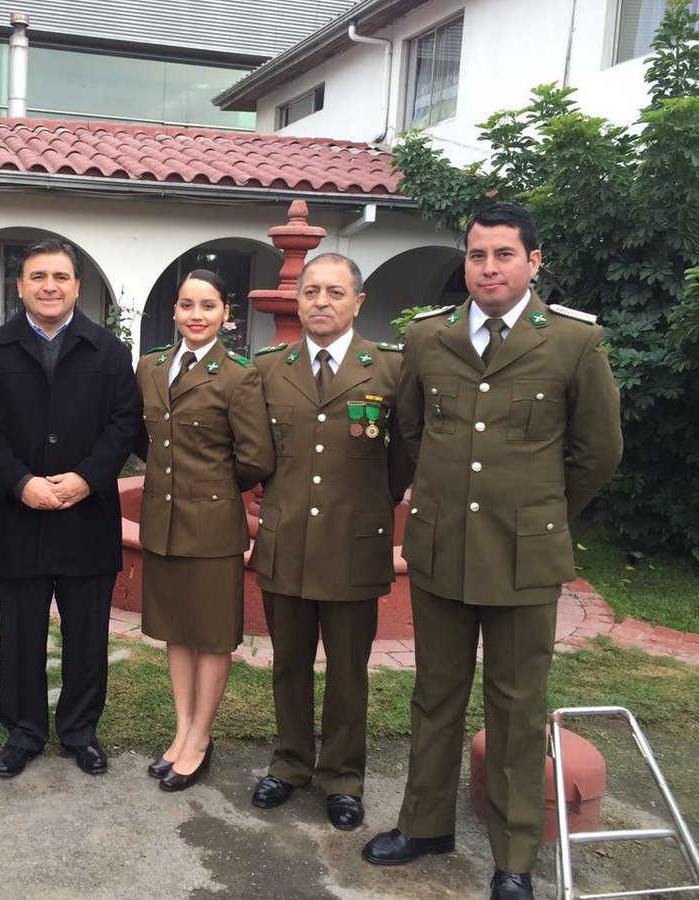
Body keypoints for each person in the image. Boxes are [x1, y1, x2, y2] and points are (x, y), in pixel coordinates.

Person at [362, 203, 622, 900]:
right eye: (477, 255)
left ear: (533, 263)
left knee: (516, 706)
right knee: (435, 695)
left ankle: (513, 859)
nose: (489, 268)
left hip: (524, 559)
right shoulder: (429, 337)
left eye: (504, 254)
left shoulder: (571, 343)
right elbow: (411, 433)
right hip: (443, 547)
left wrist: (542, 518)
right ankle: (424, 826)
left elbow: (598, 450)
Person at [0, 238, 141, 778]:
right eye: (38, 276)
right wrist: (20, 483)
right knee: (20, 634)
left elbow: (125, 422)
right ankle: (24, 731)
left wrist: (88, 477)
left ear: (77, 285)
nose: (49, 286)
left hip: (87, 516)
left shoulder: (110, 351)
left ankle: (81, 729)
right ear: (20, 286)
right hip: (20, 518)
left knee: (87, 634)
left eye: (60, 276)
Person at [249, 253, 411, 827]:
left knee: (347, 670)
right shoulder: (268, 368)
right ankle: (290, 763)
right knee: (288, 664)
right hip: (285, 540)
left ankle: (342, 776)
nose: (321, 301)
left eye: (335, 292)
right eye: (311, 291)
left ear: (358, 302)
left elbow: (403, 457)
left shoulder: (391, 369)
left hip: (353, 543)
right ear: (298, 300)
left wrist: (366, 506)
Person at [135, 270, 274, 791]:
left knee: (211, 637)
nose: (196, 315)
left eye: (208, 306)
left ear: (226, 315)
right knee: (176, 631)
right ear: (174, 311)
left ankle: (200, 738)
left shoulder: (239, 376)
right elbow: (143, 436)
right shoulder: (151, 368)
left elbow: (255, 457)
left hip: (212, 527)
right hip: (162, 523)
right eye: (187, 305)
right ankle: (181, 730)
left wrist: (208, 488)